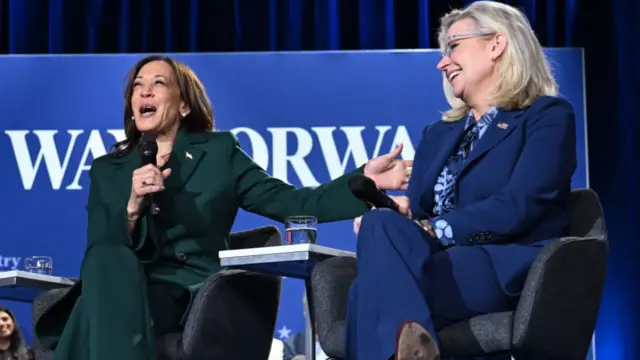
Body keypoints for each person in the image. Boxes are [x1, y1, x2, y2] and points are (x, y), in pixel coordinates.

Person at [32, 55, 411, 360]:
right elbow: (98, 243)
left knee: (90, 311)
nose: (144, 91)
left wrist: (364, 180)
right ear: (132, 107)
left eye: (158, 83)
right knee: (104, 262)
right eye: (137, 86)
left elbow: (292, 202)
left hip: (185, 292)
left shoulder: (219, 154)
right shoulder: (107, 169)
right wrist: (132, 207)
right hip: (120, 283)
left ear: (183, 105)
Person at [346, 2, 577, 360]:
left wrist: (438, 229)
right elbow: (421, 216)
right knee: (380, 223)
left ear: (496, 45)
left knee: (366, 293)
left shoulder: (545, 116)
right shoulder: (438, 134)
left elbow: (522, 203)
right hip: (438, 264)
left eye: (453, 46)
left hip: (503, 266)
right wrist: (404, 221)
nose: (442, 62)